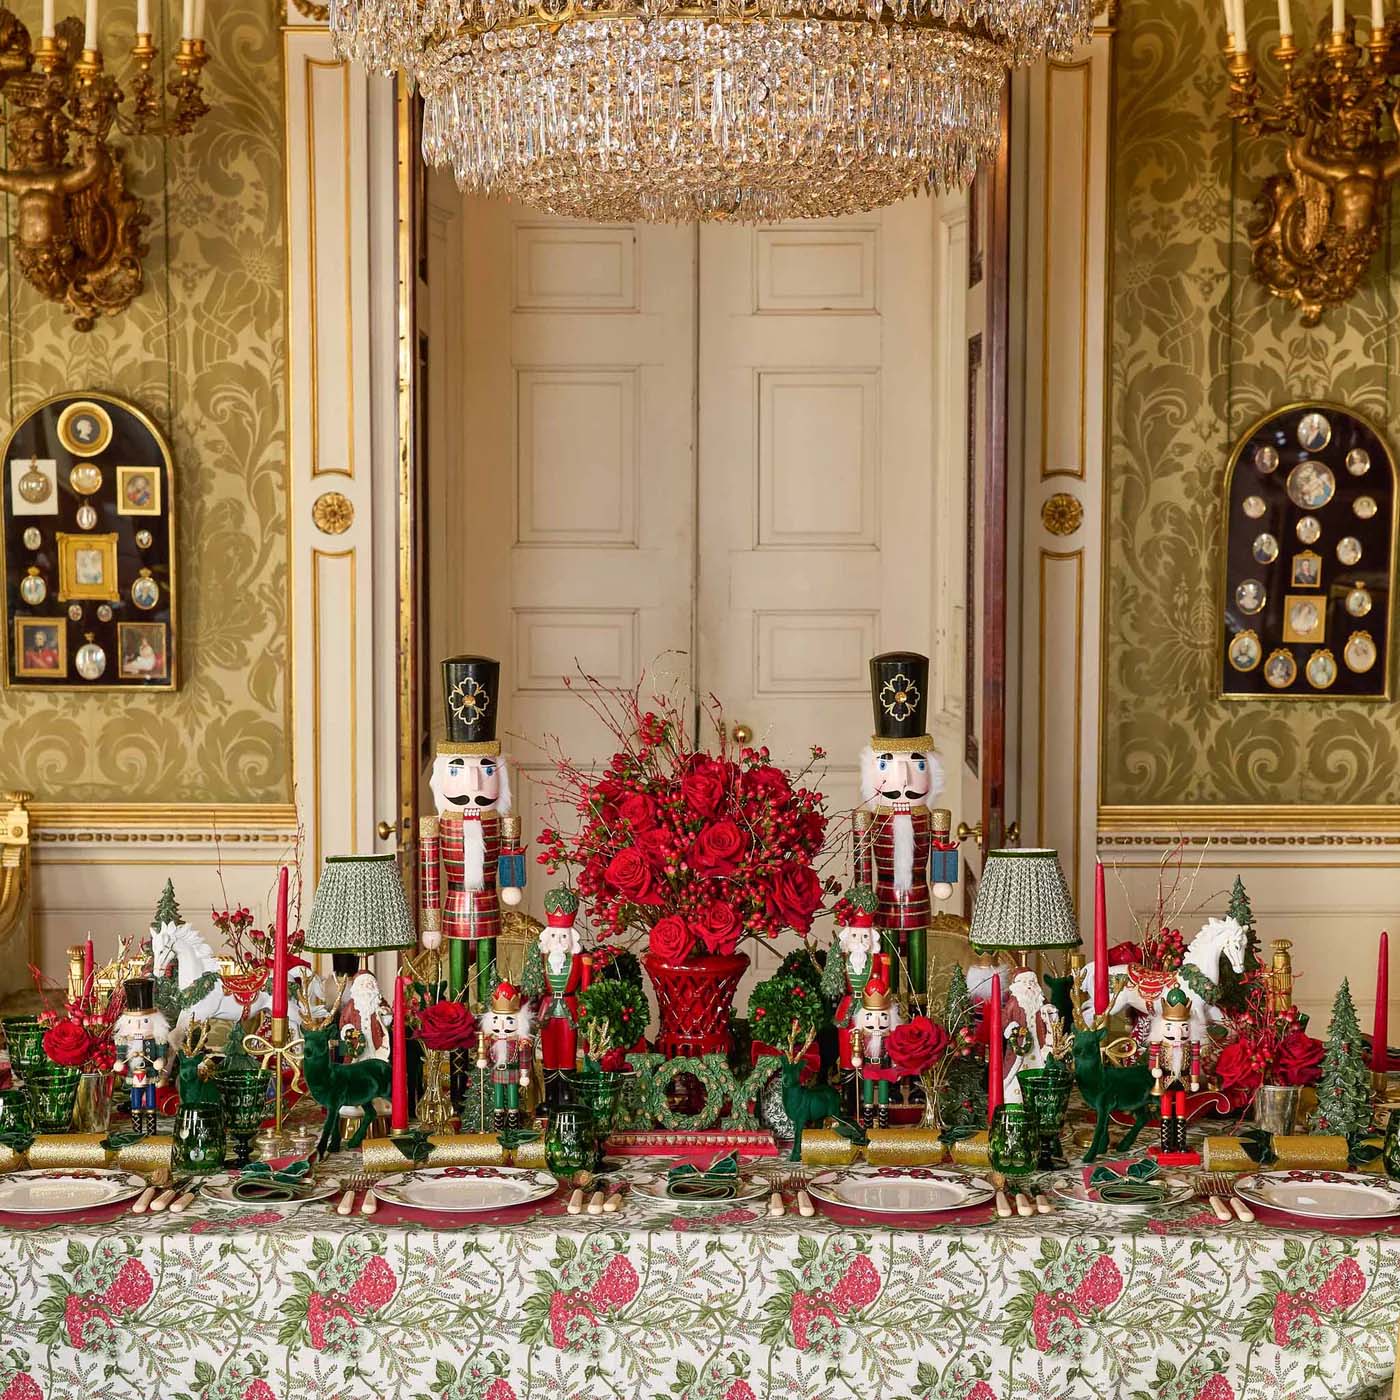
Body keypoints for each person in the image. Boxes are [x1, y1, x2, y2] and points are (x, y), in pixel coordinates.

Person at [419, 656, 527, 1005]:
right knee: (455, 974)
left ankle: (489, 1014)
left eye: (486, 769)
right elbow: (430, 875)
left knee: (488, 964)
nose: (475, 781)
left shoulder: (500, 820)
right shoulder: (438, 825)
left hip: (487, 901)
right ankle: (455, 1013)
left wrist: (510, 883)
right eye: (459, 770)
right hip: (454, 903)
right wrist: (431, 922)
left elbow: (511, 850)